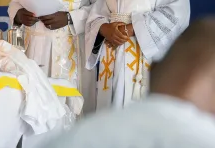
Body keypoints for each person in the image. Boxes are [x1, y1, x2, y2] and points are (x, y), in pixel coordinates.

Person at [38, 18, 215, 148]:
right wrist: (105, 27)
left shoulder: (73, 137)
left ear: (152, 69)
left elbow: (172, 16)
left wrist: (132, 28)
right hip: (114, 52)